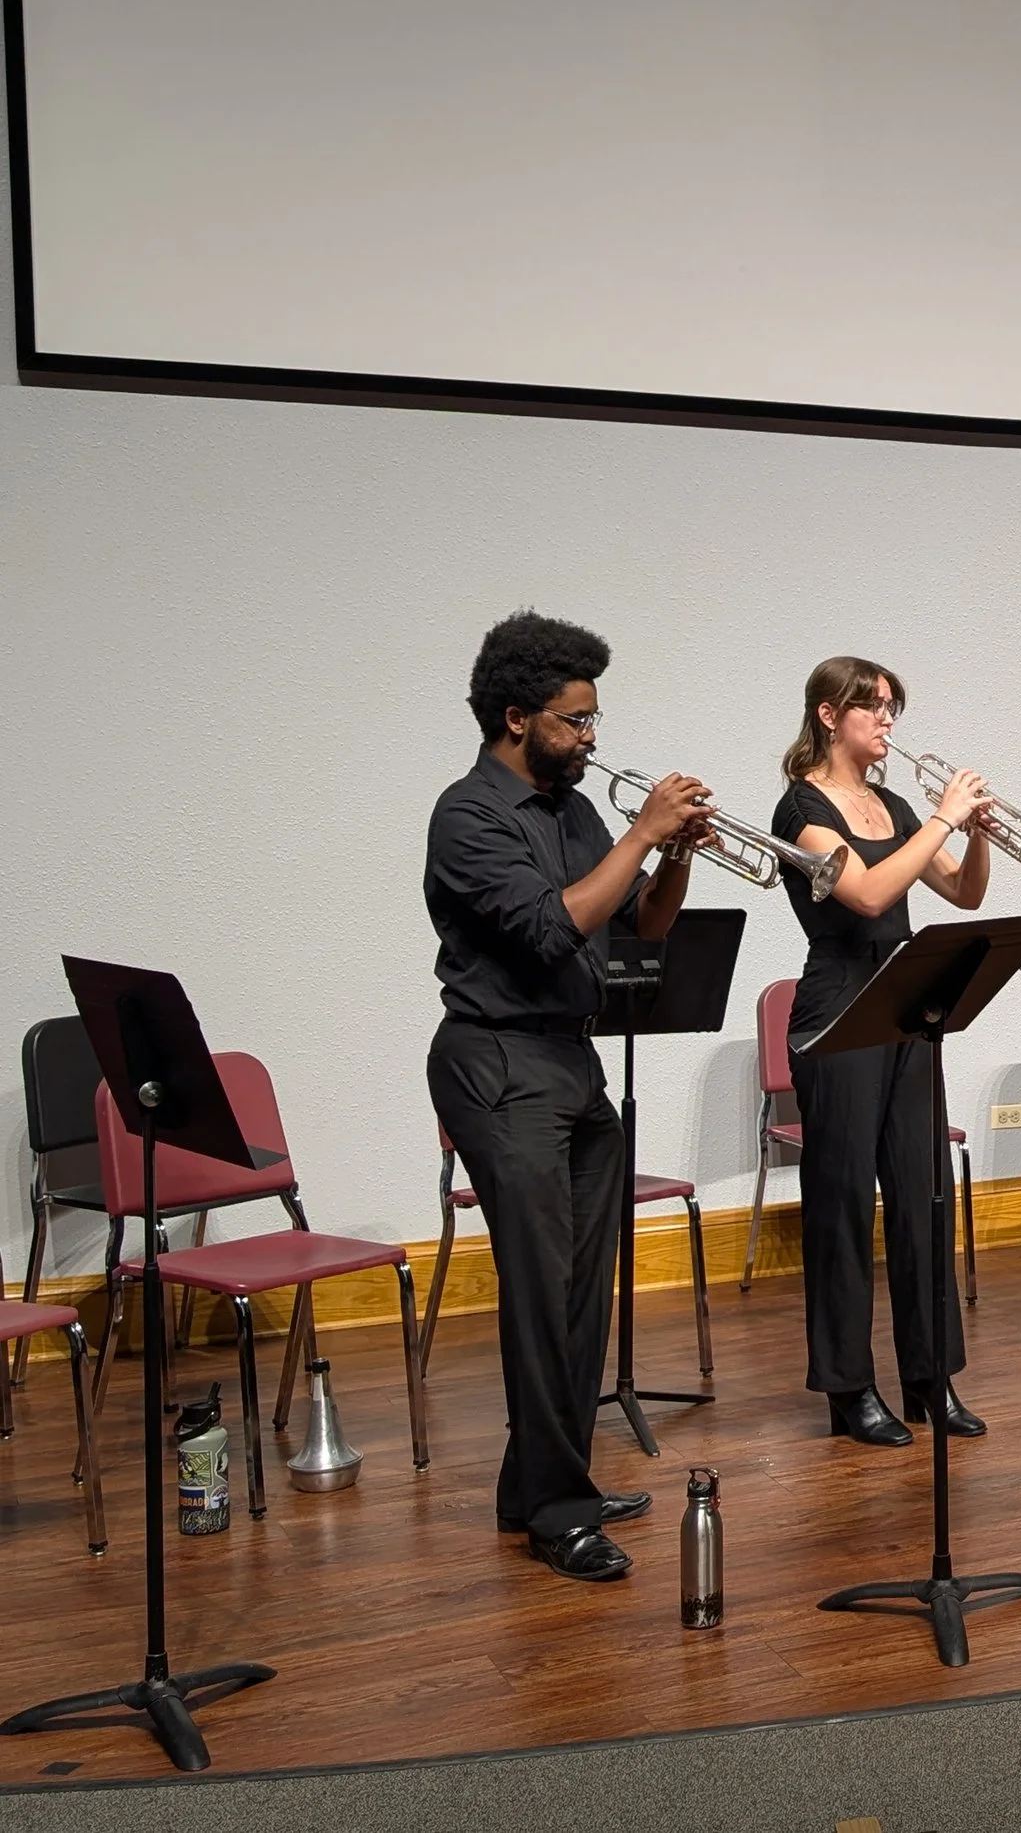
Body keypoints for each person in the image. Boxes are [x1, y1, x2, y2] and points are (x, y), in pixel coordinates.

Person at [425, 611, 710, 1582]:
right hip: (494, 1061)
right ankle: (556, 1508)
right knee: (541, 1292)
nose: (592, 738)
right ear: (516, 717)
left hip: (568, 1061)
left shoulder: (573, 809)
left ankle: (546, 1480)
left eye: (594, 719)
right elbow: (551, 930)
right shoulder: (466, 816)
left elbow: (639, 928)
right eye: (575, 720)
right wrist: (641, 830)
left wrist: (673, 854)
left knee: (587, 1286)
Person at [772, 657, 995, 1445]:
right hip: (837, 1010)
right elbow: (865, 894)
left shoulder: (893, 803)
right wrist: (942, 818)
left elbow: (963, 894)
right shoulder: (800, 806)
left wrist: (976, 838)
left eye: (893, 708)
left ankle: (931, 1380)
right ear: (830, 716)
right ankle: (848, 1388)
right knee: (840, 1207)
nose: (888, 722)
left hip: (905, 1005)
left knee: (924, 1197)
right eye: (874, 708)